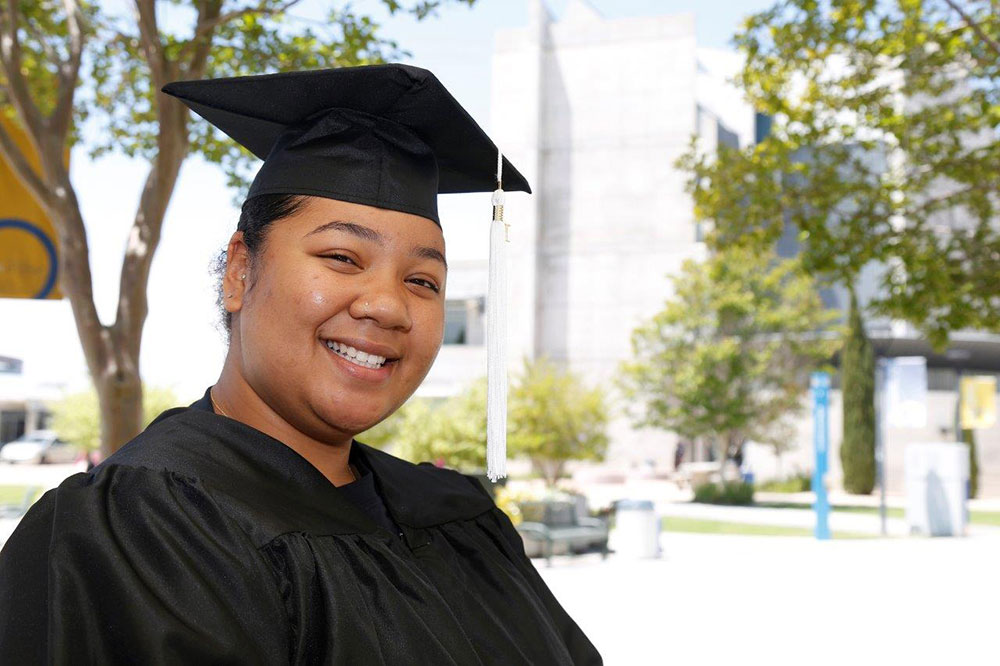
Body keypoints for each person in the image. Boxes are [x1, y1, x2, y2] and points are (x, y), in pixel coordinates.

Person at [0, 64, 602, 665]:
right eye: (342, 256)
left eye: (423, 280)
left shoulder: (453, 511)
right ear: (240, 270)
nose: (389, 305)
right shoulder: (139, 528)